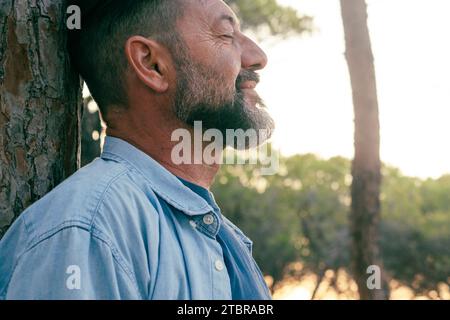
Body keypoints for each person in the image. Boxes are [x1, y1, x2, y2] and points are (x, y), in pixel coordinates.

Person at [0, 0, 275, 299]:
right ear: (151, 64)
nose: (257, 57)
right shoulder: (88, 232)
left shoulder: (227, 240)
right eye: (225, 34)